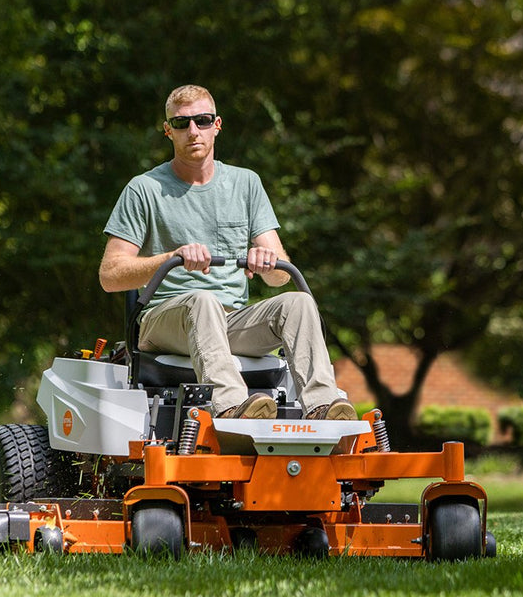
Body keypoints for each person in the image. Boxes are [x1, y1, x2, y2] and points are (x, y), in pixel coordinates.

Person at [98, 84, 355, 422]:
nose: (193, 131)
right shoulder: (143, 189)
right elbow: (110, 275)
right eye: (181, 123)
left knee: (299, 302)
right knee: (201, 300)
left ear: (216, 125)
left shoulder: (246, 184)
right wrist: (170, 258)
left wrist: (267, 264)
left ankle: (324, 408)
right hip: (164, 322)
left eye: (202, 121)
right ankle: (233, 409)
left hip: (229, 321)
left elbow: (280, 276)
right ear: (167, 131)